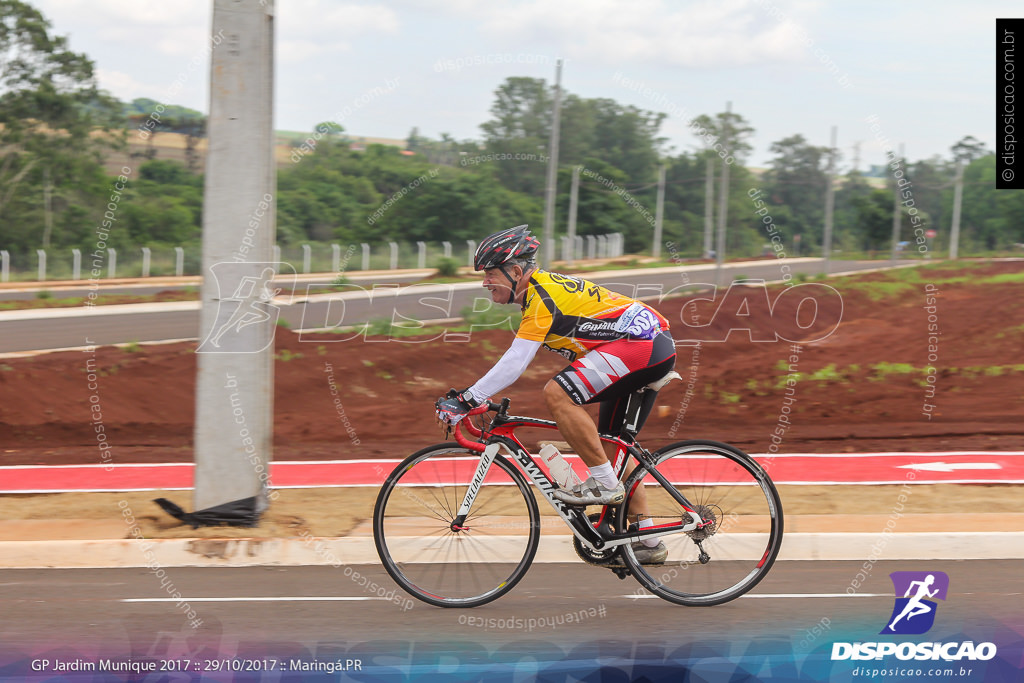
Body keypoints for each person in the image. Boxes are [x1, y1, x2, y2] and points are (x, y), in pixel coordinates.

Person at [435, 225, 677, 564]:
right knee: (609, 449)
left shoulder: (541, 296)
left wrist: (467, 399)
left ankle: (605, 486)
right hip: (645, 345)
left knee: (558, 394)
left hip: (643, 346)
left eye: (490, 274)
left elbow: (516, 360)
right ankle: (649, 544)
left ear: (516, 271)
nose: (485, 283)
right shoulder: (538, 293)